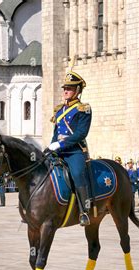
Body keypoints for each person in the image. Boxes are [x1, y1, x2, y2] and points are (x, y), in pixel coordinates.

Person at [47, 71, 92, 226]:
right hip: (58, 150)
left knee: (78, 173)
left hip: (75, 151)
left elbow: (81, 133)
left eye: (70, 88)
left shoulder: (83, 109)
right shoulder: (59, 110)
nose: (66, 91)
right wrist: (51, 146)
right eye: (65, 88)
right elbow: (56, 133)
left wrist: (61, 144)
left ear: (77, 91)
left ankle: (84, 211)